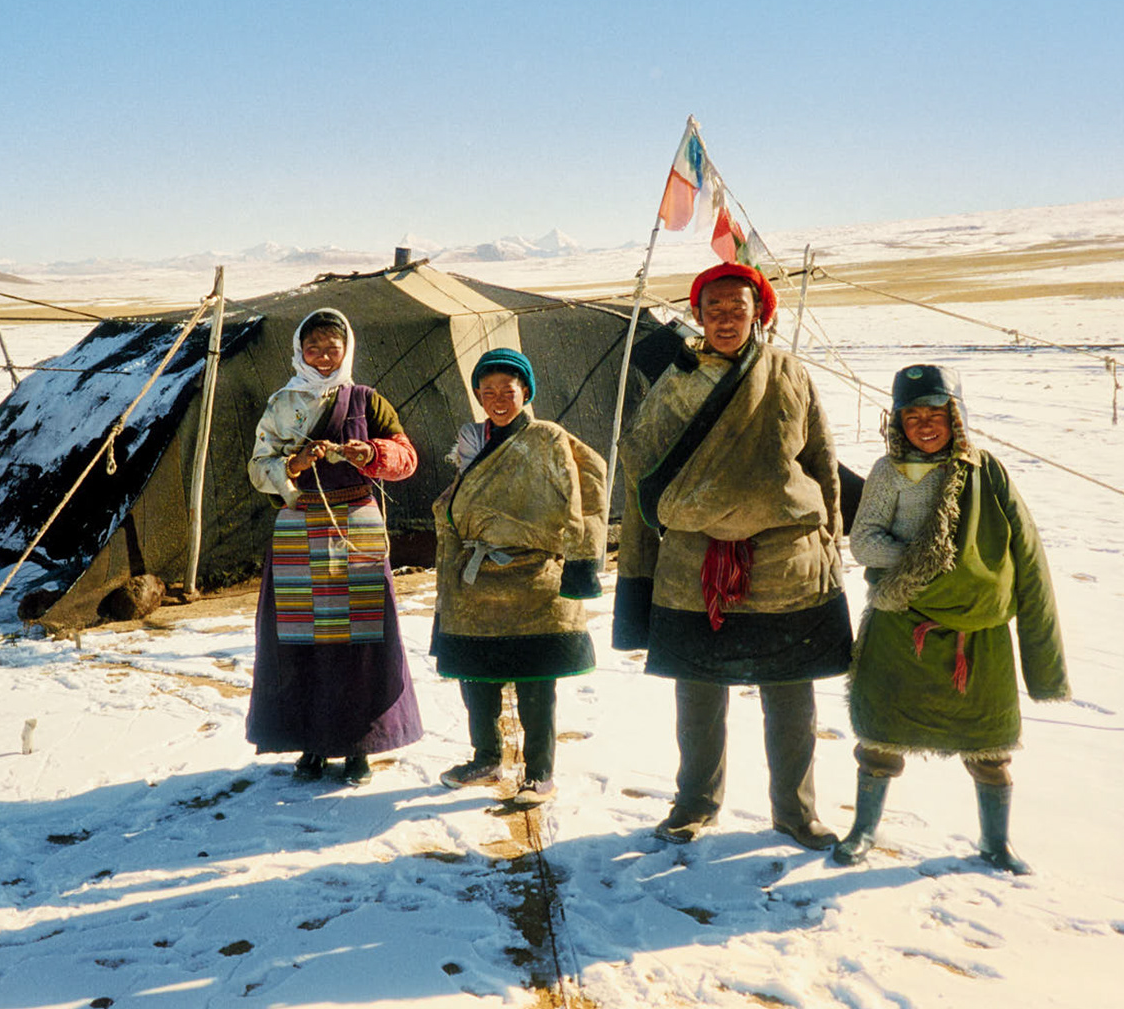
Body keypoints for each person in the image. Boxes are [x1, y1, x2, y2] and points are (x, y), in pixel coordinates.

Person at [614, 262, 853, 847]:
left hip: (783, 561)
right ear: (697, 315)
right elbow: (640, 471)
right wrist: (638, 570)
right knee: (697, 692)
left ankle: (796, 813)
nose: (725, 319)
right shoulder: (672, 382)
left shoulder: (787, 373)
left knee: (791, 694)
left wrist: (831, 544)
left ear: (759, 313)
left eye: (737, 308)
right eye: (713, 309)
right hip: (695, 564)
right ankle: (695, 802)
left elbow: (819, 459)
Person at [833, 363, 1069, 873]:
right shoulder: (887, 473)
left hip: (976, 631)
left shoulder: (988, 472)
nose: (924, 424)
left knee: (990, 745)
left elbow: (1026, 556)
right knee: (880, 737)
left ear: (955, 415)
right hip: (902, 625)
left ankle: (995, 843)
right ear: (897, 420)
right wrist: (931, 563)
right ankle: (863, 830)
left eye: (935, 412)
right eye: (912, 414)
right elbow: (865, 542)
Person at [244, 308, 423, 783]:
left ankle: (360, 745)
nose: (323, 357)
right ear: (299, 351)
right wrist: (295, 465)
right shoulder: (282, 405)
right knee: (302, 640)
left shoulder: (367, 401)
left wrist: (374, 454)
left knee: (360, 640)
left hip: (357, 529)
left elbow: (407, 459)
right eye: (314, 347)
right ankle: (311, 744)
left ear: (348, 349)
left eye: (332, 347)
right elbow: (259, 467)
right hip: (299, 526)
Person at [430, 347, 608, 807]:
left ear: (525, 391)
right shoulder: (473, 440)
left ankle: (539, 771)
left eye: (507, 390)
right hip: (476, 582)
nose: (497, 399)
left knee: (535, 680)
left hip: (533, 579)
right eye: (486, 391)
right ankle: (486, 758)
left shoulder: (548, 437)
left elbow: (590, 482)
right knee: (478, 676)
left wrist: (583, 560)